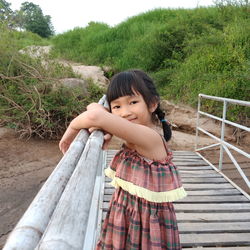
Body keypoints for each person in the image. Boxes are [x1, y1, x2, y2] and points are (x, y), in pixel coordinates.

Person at [59, 69, 187, 249]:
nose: (125, 112)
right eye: (117, 106)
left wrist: (71, 130)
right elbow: (94, 108)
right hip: (126, 218)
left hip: (148, 230)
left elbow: (95, 114)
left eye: (133, 102)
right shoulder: (133, 134)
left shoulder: (149, 138)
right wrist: (108, 125)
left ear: (152, 104)